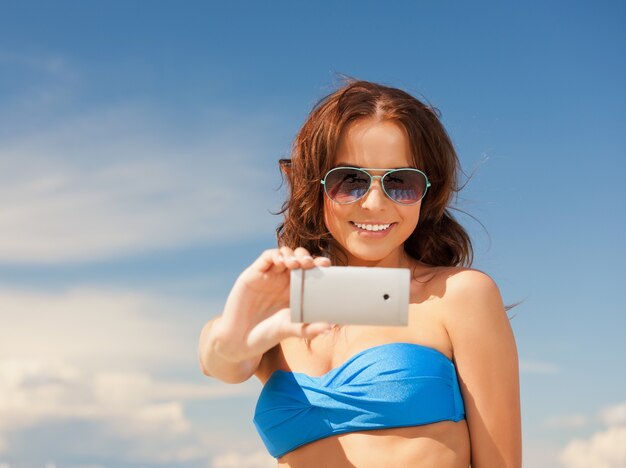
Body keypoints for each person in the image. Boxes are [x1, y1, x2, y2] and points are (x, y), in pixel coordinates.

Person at [198, 78, 521, 467]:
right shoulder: (281, 305)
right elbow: (219, 360)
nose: (374, 203)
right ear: (314, 186)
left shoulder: (458, 295)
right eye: (349, 180)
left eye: (400, 182)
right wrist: (233, 340)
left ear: (428, 191)